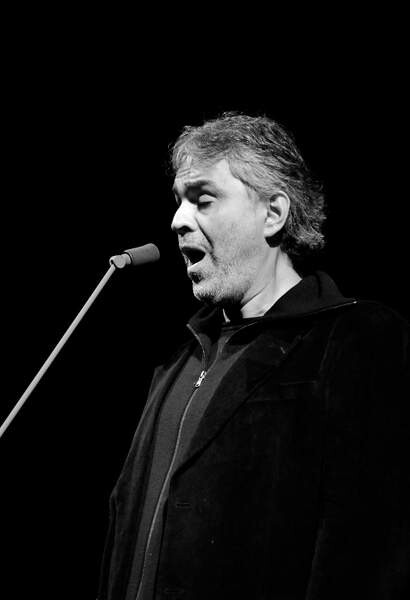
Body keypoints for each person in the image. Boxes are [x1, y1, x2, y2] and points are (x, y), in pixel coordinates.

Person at [98, 113, 410, 599]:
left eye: (203, 199)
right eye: (178, 201)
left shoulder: (351, 339)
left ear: (274, 213)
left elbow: (365, 546)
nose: (178, 220)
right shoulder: (177, 362)